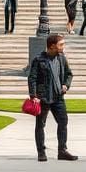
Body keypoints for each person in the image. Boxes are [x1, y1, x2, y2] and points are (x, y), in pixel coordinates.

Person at [28, 33, 78, 162]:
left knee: (63, 122)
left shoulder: (62, 58)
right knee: (40, 125)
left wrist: (66, 85)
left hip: (58, 97)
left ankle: (62, 151)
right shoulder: (38, 59)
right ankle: (41, 152)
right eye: (61, 44)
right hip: (43, 97)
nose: (63, 46)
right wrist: (33, 96)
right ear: (52, 46)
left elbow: (69, 74)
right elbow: (32, 78)